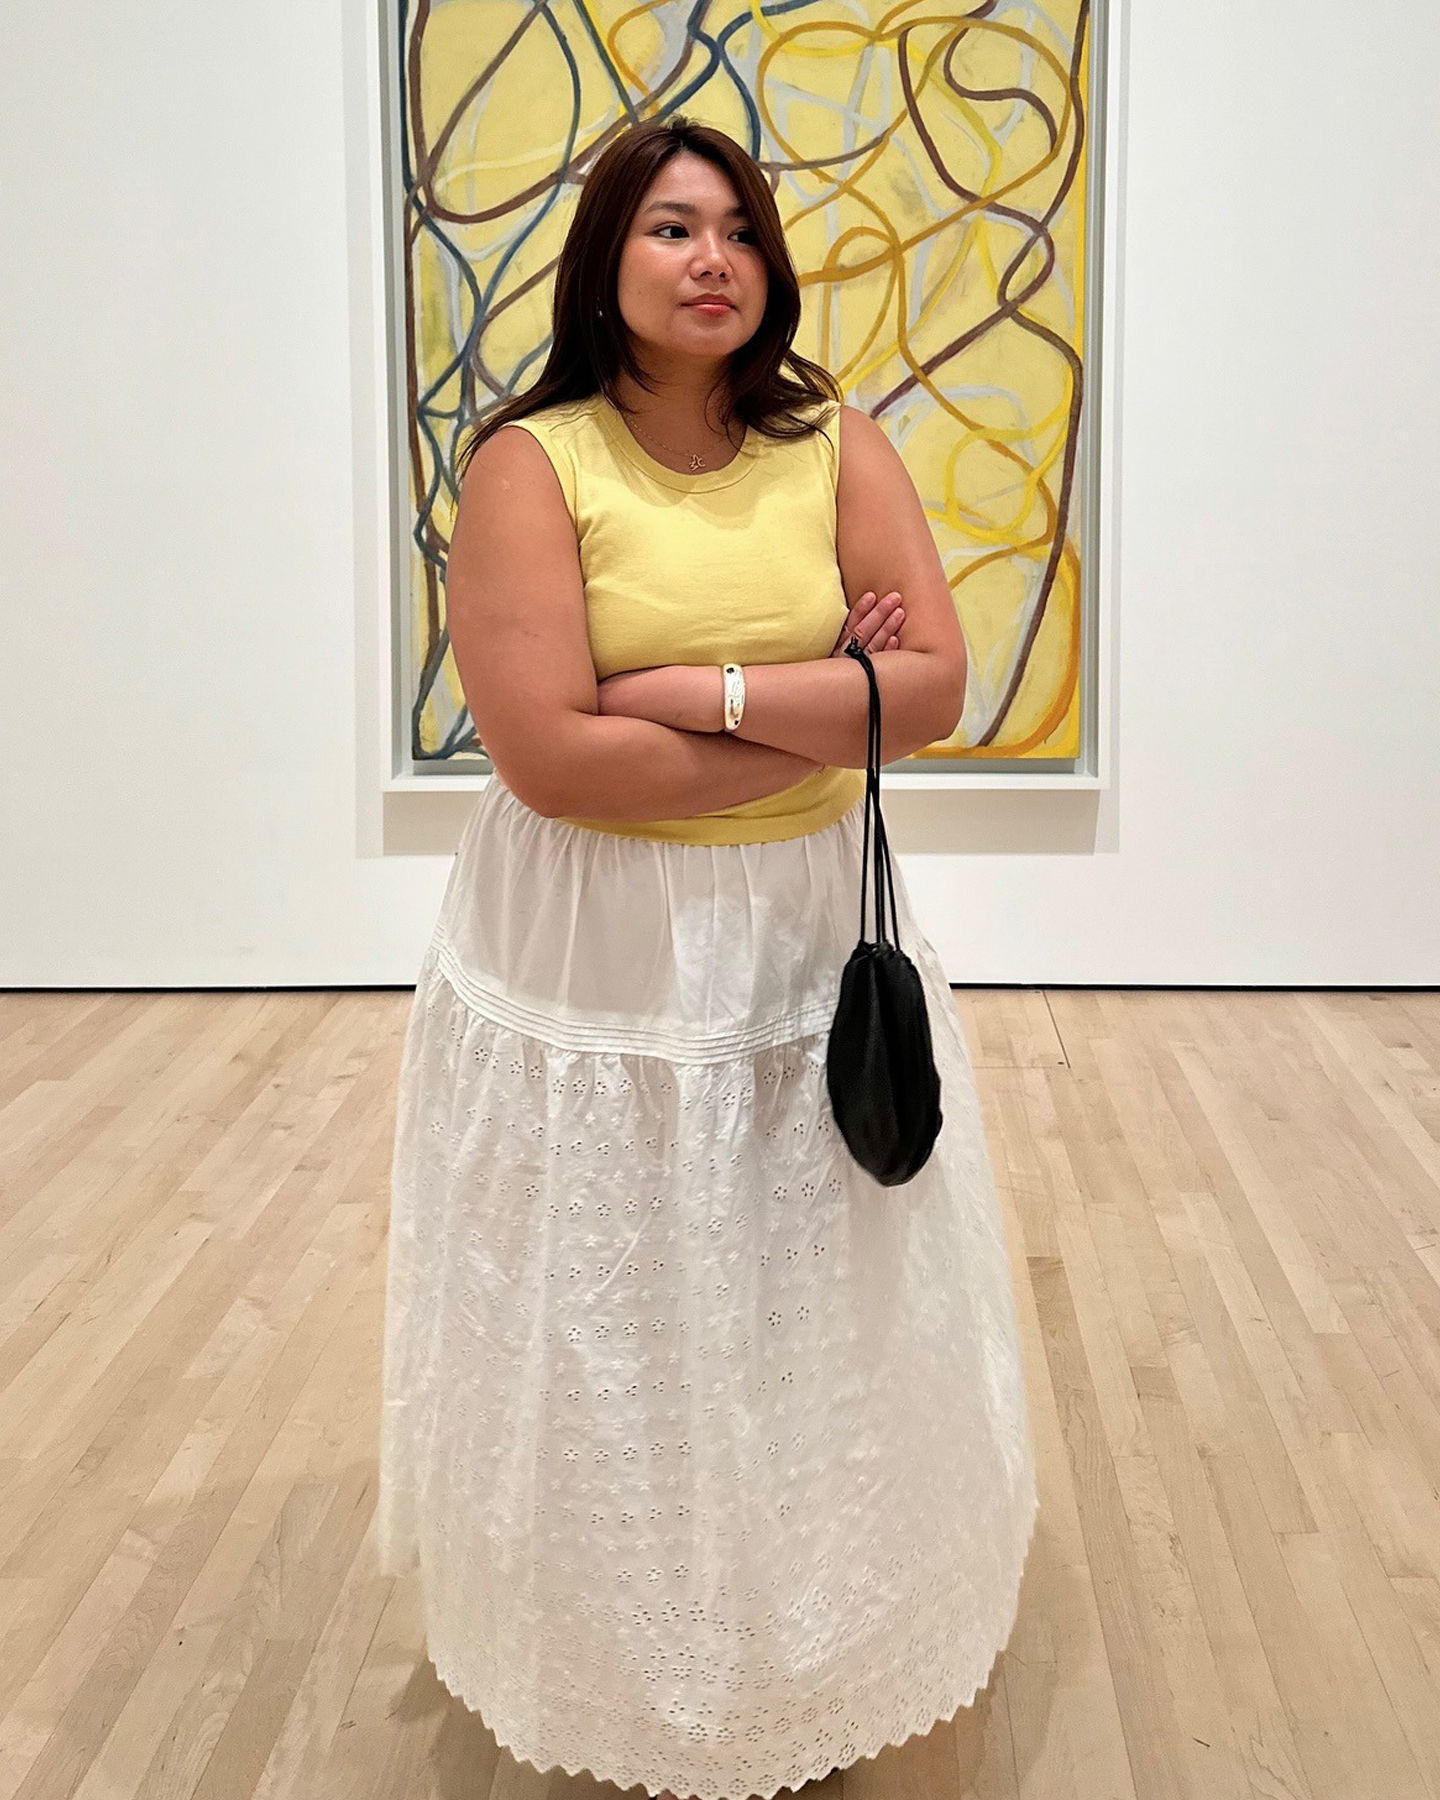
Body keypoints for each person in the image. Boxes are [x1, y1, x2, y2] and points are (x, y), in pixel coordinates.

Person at [378, 115, 1037, 1800]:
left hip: (803, 921)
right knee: (621, 1276)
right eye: (672, 228)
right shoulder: (537, 464)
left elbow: (941, 690)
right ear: (606, 258)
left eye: (738, 230)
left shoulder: (839, 444)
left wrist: (690, 691)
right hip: (600, 941)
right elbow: (550, 758)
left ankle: (804, 1620)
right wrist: (819, 707)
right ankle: (619, 1640)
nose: (713, 258)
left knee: (795, 1264)